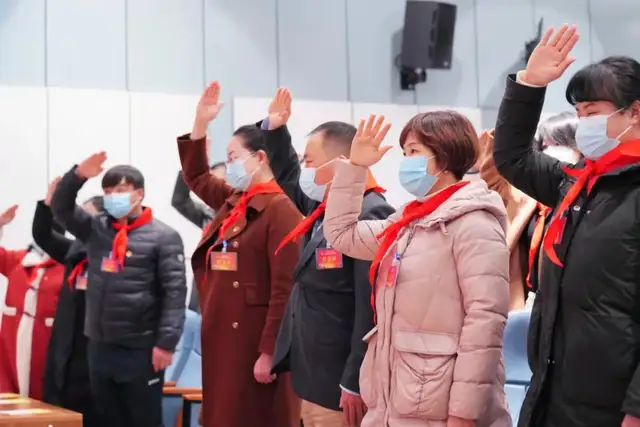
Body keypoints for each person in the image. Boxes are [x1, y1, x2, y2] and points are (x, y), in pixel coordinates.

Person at [493, 24, 640, 427]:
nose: (582, 124)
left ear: (635, 112)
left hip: (615, 404)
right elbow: (511, 157)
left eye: (592, 113)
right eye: (578, 114)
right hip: (554, 388)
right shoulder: (575, 183)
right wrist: (529, 84)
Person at [323, 113, 511, 427]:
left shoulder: (475, 223)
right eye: (405, 152)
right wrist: (356, 168)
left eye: (414, 151)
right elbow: (343, 235)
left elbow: (485, 323)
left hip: (441, 404)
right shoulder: (408, 222)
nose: (406, 161)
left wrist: (464, 413)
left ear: (444, 156)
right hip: (398, 396)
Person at [262, 88, 395, 427]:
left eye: (309, 161)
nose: (304, 170)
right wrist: (275, 130)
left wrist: (354, 379)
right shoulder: (325, 207)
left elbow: (371, 307)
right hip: (312, 375)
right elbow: (289, 176)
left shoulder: (370, 212)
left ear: (338, 163)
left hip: (340, 382)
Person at [177, 80, 302, 427]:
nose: (229, 165)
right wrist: (200, 123)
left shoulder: (280, 208)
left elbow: (284, 289)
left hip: (253, 342)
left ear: (260, 158)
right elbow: (197, 176)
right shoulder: (236, 201)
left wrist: (270, 352)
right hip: (225, 336)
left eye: (233, 157)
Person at [50, 159, 187, 427]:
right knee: (105, 418)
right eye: (108, 191)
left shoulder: (164, 237)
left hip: (141, 350)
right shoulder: (96, 229)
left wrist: (166, 344)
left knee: (142, 419)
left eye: (121, 190)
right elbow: (61, 207)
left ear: (139, 193)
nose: (113, 196)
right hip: (100, 347)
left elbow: (174, 294)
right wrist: (77, 176)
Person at [476, 113, 580, 310]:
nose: (551, 150)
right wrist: (506, 137)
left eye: (560, 143)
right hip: (524, 300)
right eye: (546, 145)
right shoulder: (528, 196)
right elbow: (493, 179)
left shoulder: (591, 196)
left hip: (569, 304)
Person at [35, 177, 103, 426]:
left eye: (85, 216)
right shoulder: (75, 251)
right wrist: (47, 205)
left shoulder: (116, 253)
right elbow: (43, 235)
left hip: (98, 348)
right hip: (66, 348)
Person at [0, 204, 65, 400]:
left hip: (47, 341)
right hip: (12, 340)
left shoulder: (68, 266)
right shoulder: (19, 259)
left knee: (44, 395)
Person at [171, 160, 225, 312]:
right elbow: (180, 201)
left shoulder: (247, 214)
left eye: (218, 181)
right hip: (203, 296)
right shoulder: (208, 214)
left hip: (231, 297)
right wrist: (190, 167)